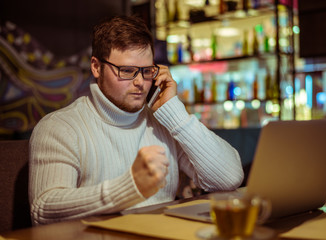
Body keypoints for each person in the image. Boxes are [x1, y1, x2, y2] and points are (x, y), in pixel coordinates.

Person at [29, 15, 244, 225]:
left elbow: (229, 179)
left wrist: (174, 112)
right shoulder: (60, 127)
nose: (140, 82)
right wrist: (129, 188)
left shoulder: (163, 122)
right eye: (127, 71)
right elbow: (44, 209)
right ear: (96, 67)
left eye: (147, 71)